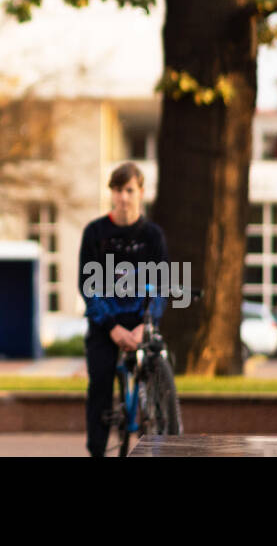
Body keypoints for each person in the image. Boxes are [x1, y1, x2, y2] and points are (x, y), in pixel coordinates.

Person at [79, 162, 168, 457]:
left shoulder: (153, 236)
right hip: (107, 325)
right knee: (101, 381)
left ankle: (160, 429)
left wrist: (147, 323)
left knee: (160, 366)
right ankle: (97, 450)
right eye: (118, 190)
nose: (124, 197)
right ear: (111, 193)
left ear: (141, 192)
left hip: (141, 322)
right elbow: (88, 288)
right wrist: (112, 328)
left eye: (129, 190)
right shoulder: (95, 233)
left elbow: (162, 285)